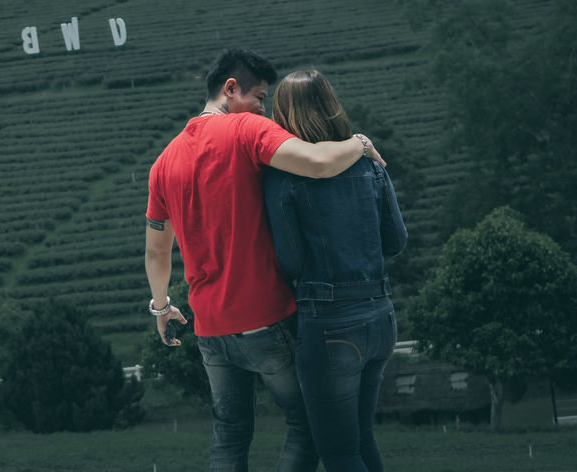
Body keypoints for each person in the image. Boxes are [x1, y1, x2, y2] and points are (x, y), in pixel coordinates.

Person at [145, 48, 385, 472]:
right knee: (308, 427)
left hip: (211, 329)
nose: (264, 108)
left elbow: (156, 249)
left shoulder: (163, 162)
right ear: (230, 89)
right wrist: (359, 142)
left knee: (230, 437)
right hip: (265, 317)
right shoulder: (246, 130)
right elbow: (317, 164)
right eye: (259, 96)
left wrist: (162, 307)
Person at [264, 70, 407, 472]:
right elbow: (395, 241)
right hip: (381, 317)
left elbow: (289, 261)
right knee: (362, 442)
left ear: (285, 116)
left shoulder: (283, 176)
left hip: (329, 326)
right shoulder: (370, 164)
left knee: (339, 454)